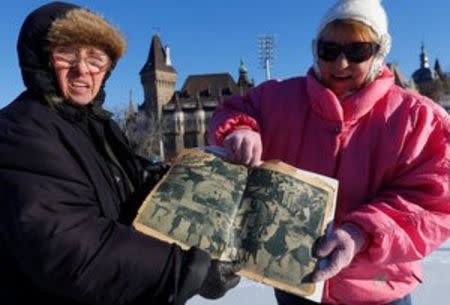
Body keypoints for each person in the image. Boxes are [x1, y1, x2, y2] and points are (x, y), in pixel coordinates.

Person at [207, 0, 450, 304]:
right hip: (296, 281)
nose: (341, 64)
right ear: (315, 49)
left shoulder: (420, 119)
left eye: (358, 51)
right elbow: (233, 109)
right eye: (329, 51)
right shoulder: (278, 98)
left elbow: (435, 200)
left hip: (378, 288)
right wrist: (240, 130)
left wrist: (360, 233)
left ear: (379, 53)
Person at [0, 2, 240, 305]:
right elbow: (71, 247)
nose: (82, 68)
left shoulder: (94, 123)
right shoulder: (20, 131)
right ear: (42, 60)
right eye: (67, 53)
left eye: (95, 57)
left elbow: (117, 182)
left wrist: (174, 180)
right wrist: (185, 269)